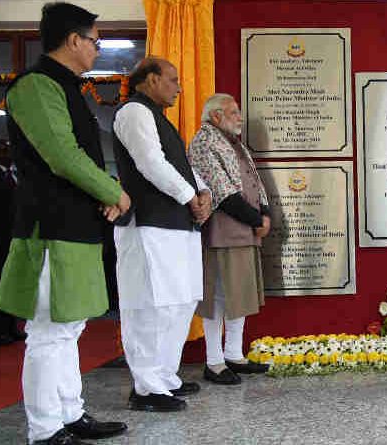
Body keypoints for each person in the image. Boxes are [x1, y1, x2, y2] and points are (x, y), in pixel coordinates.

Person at [0, 3, 131, 444]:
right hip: (50, 227)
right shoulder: (35, 85)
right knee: (49, 332)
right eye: (95, 41)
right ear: (73, 40)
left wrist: (105, 197)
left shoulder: (69, 86)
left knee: (70, 326)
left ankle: (71, 413)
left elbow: (81, 159)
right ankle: (44, 428)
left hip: (76, 225)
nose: (97, 49)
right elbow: (62, 155)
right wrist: (114, 192)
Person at [113, 56, 211, 412]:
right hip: (148, 224)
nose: (178, 87)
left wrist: (203, 194)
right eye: (172, 79)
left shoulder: (159, 117)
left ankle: (166, 376)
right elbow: (150, 163)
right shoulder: (133, 112)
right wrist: (190, 197)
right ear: (151, 79)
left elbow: (180, 166)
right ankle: (146, 387)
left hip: (177, 223)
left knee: (179, 302)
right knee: (152, 306)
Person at [188, 94, 271, 385]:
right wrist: (256, 219)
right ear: (215, 116)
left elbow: (255, 182)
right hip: (222, 229)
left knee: (240, 293)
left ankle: (234, 354)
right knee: (218, 296)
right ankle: (214, 362)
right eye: (233, 112)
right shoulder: (204, 141)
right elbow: (221, 191)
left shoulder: (234, 142)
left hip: (244, 229)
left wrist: (266, 211)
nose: (239, 116)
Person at [0, 139, 26, 346]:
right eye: (2, 150)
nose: (6, 154)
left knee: (13, 282)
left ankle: (12, 328)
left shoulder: (20, 175)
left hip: (17, 237)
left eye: (9, 150)